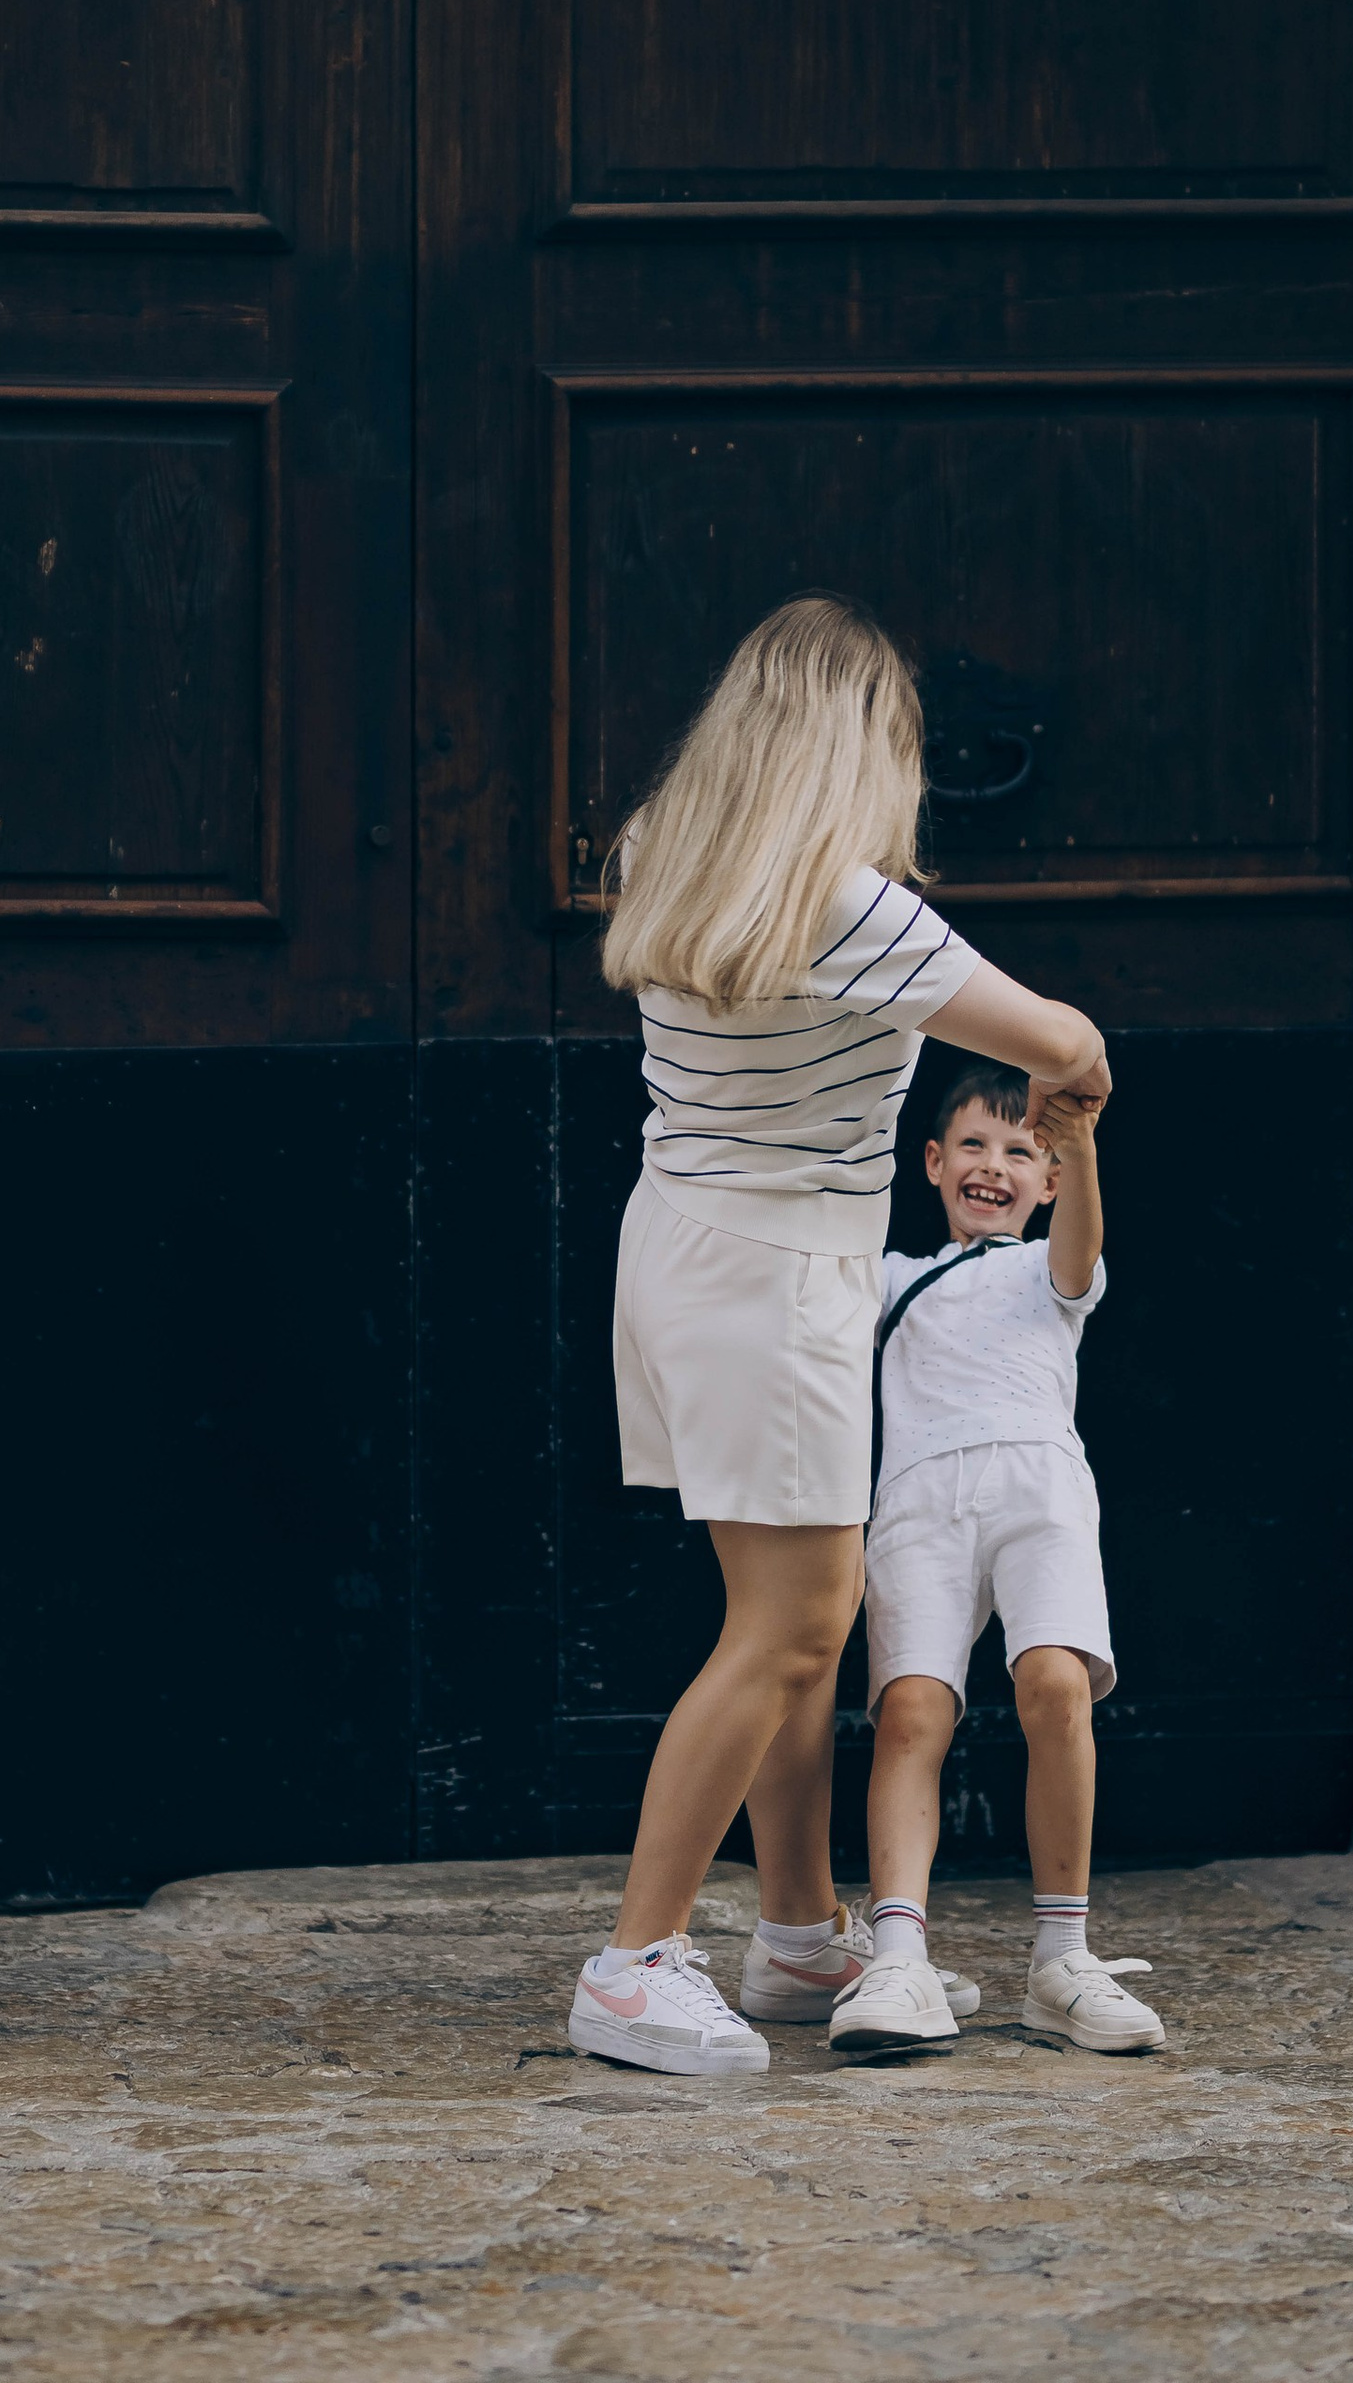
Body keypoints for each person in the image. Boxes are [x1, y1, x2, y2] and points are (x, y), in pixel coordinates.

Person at [564, 597, 1112, 2078]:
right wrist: (1087, 1073)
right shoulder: (854, 909)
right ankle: (632, 1965)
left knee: (792, 1608)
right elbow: (1056, 1043)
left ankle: (801, 1930)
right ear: (864, 751)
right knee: (797, 1624)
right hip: (784, 1276)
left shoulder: (667, 864)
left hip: (679, 1246)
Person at [826, 1055, 1165, 2062]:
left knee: (1055, 1685)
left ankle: (1061, 1958)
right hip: (917, 1504)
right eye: (972, 1143)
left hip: (1039, 1489)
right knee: (911, 1713)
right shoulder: (891, 1278)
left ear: (1048, 1179)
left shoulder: (1047, 1270)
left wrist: (1083, 1140)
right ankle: (897, 1953)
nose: (993, 1163)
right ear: (931, 1161)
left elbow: (1082, 1243)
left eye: (1021, 1151)